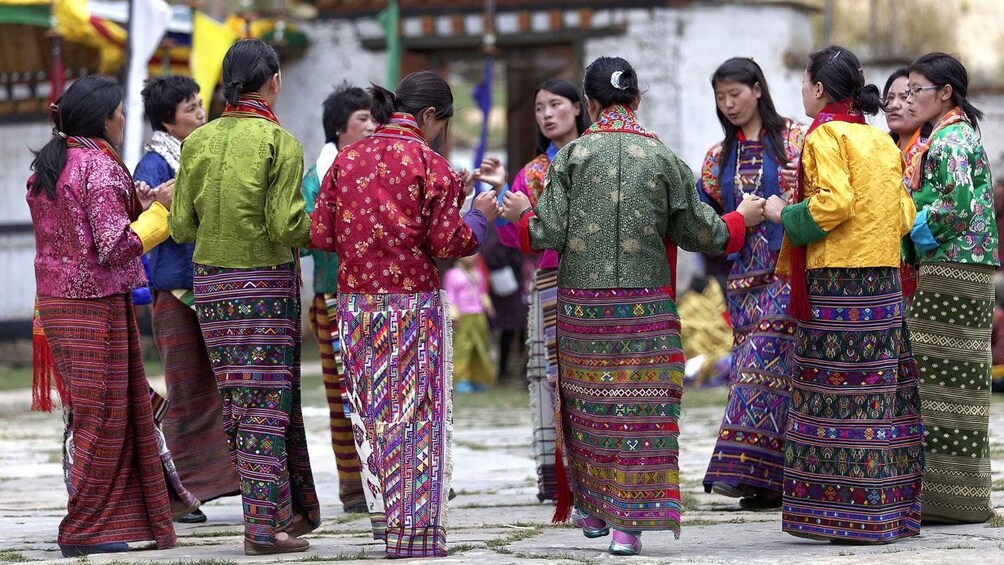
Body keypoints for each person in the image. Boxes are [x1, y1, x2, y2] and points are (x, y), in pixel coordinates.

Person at [501, 56, 762, 556]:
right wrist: (740, 218)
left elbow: (545, 233)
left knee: (591, 409)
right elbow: (698, 232)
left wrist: (522, 213)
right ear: (637, 100)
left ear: (591, 104)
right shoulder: (663, 158)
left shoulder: (572, 158)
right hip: (647, 311)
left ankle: (596, 512)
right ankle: (629, 528)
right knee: (641, 415)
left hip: (584, 314)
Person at [310, 70, 499, 558]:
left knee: (375, 417)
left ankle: (385, 526)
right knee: (418, 417)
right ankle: (415, 536)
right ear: (430, 115)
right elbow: (450, 242)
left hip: (355, 308)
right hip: (412, 308)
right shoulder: (427, 163)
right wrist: (479, 213)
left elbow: (321, 234)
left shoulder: (347, 160)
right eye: (443, 123)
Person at [763, 45, 923, 544]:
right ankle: (884, 513)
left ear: (817, 88)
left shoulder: (825, 135)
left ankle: (842, 516)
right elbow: (904, 216)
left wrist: (781, 214)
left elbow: (834, 205)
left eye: (804, 83)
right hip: (881, 283)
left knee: (835, 399)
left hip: (837, 284)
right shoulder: (880, 141)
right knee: (877, 397)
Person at [170, 38, 320, 555]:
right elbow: (286, 224)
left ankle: (276, 514)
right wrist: (326, 224)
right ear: (273, 81)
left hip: (212, 289)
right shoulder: (281, 143)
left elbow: (182, 225)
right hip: (265, 289)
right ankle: (262, 527)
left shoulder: (198, 142)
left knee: (238, 402)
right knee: (268, 403)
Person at [27, 75, 177, 557]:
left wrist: (139, 200)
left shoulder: (52, 163)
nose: (124, 119)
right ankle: (83, 526)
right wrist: (160, 217)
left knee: (92, 413)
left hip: (56, 304)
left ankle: (101, 518)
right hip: (94, 305)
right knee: (106, 416)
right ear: (104, 117)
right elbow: (115, 244)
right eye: (119, 111)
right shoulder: (99, 165)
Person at [696, 57, 804, 510]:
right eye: (721, 97)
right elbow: (704, 220)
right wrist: (738, 219)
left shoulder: (798, 139)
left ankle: (737, 469)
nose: (728, 104)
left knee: (760, 365)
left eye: (735, 94)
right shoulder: (717, 157)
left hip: (785, 270)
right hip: (743, 282)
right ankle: (770, 482)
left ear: (758, 89)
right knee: (763, 373)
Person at [135, 75, 240, 523]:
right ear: (167, 121)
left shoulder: (200, 153)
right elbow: (142, 220)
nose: (200, 113)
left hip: (207, 284)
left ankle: (219, 481)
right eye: (190, 108)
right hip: (175, 293)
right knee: (185, 388)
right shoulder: (152, 167)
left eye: (200, 104)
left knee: (219, 387)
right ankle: (180, 492)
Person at [904, 52, 997, 524]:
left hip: (952, 272)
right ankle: (960, 499)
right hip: (961, 271)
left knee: (944, 387)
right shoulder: (949, 135)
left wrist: (908, 229)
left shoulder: (951, 139)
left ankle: (949, 503)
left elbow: (956, 206)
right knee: (956, 386)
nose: (909, 97)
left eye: (918, 89)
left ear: (944, 94)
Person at [496, 78, 589, 502]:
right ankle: (558, 478)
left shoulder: (597, 157)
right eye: (539, 108)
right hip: (551, 281)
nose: (547, 114)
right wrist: (504, 199)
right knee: (548, 379)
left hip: (593, 278)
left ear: (578, 107)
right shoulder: (532, 172)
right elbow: (510, 235)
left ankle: (600, 470)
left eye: (555, 105)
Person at [300, 82, 375, 515]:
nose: (372, 126)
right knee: (342, 394)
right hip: (332, 297)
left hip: (374, 296)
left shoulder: (380, 167)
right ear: (339, 128)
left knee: (385, 390)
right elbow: (311, 237)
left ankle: (392, 474)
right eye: (362, 119)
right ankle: (353, 484)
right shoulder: (317, 176)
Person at [882, 67, 930, 300]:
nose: (894, 105)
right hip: (884, 268)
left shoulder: (931, 150)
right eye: (889, 98)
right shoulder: (878, 152)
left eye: (904, 96)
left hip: (921, 265)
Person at [443, 254, 497, 392]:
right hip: (463, 316)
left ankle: (477, 379)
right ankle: (461, 379)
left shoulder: (477, 272)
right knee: (462, 348)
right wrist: (453, 316)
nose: (471, 257)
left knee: (480, 348)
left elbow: (482, 292)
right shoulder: (452, 274)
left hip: (478, 315)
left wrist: (488, 306)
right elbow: (450, 296)